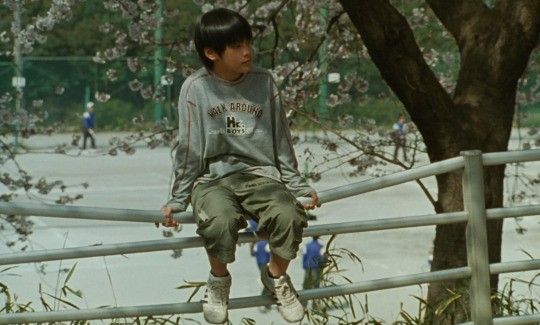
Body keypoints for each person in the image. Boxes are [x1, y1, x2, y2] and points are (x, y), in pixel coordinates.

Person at [159, 8, 319, 324]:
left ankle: (275, 277)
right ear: (211, 53)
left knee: (289, 214)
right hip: (212, 178)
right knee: (218, 219)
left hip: (260, 175)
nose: (247, 51)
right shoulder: (195, 88)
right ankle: (219, 281)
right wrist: (177, 200)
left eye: (247, 42)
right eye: (236, 46)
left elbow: (281, 140)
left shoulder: (265, 81)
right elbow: (188, 149)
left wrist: (298, 186)